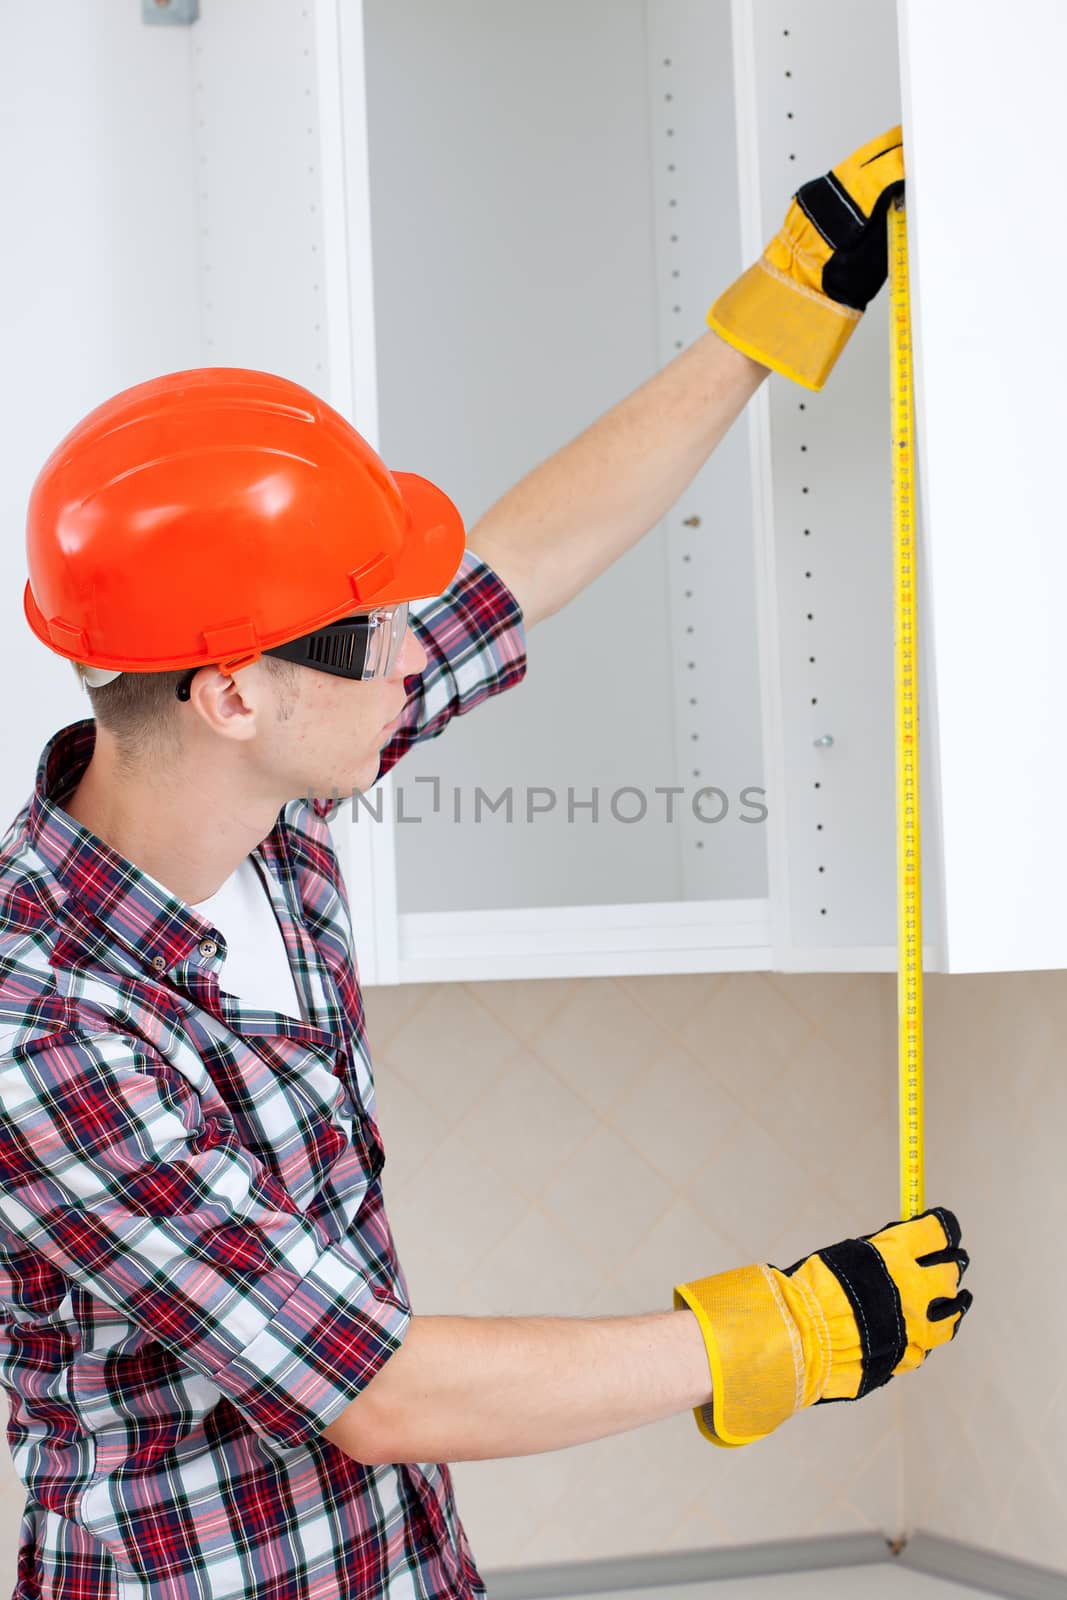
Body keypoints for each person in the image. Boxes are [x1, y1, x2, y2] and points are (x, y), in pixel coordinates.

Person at [0, 126, 970, 1600]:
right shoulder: (43, 1026)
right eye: (373, 623)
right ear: (233, 691)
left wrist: (770, 313)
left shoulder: (269, 805)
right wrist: (780, 1329)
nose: (416, 649)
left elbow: (520, 567)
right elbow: (372, 1388)